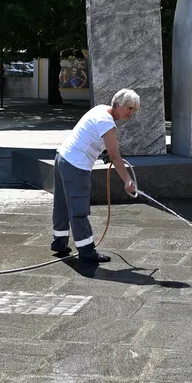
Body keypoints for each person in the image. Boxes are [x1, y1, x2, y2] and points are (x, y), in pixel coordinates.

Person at [51, 89, 140, 263]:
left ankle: (59, 243)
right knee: (79, 208)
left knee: (61, 205)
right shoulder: (107, 122)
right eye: (129, 108)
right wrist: (127, 180)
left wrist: (104, 151)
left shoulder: (100, 109)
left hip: (62, 158)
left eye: (134, 110)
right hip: (76, 165)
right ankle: (86, 251)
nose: (131, 112)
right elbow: (115, 156)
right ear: (117, 104)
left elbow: (92, 137)